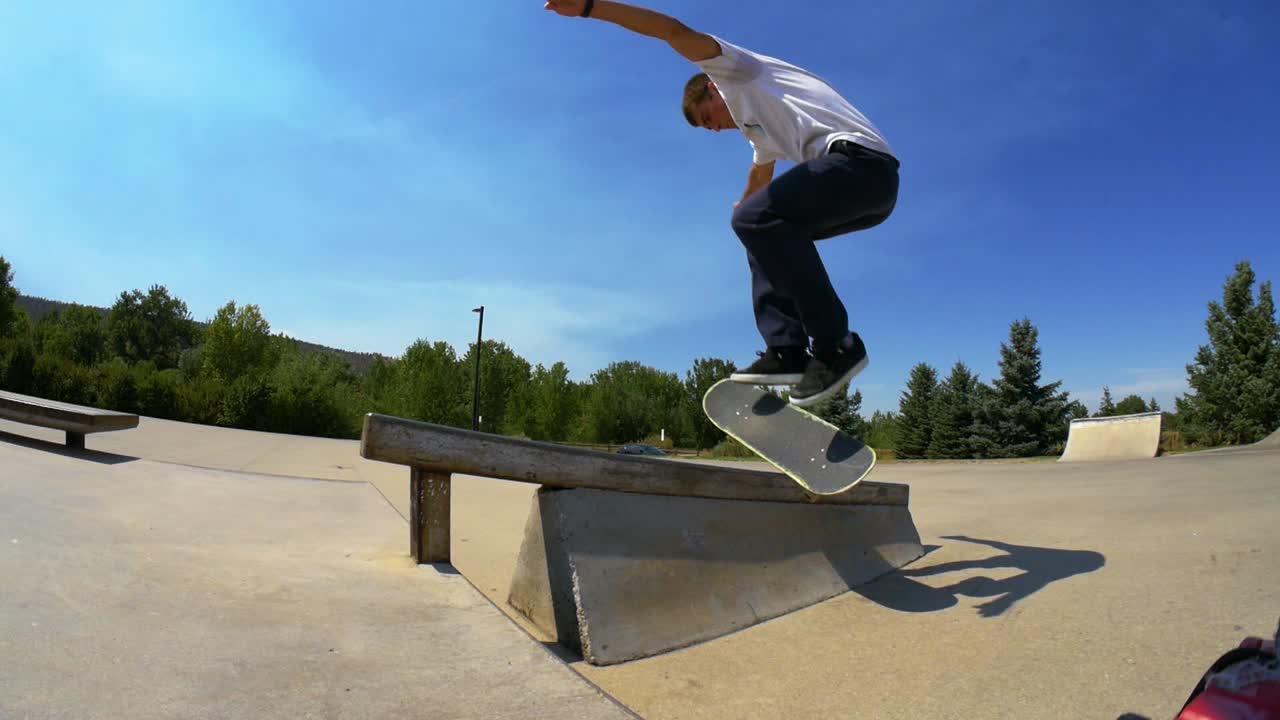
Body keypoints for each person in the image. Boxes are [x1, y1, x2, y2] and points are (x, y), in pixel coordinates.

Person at [545, 0, 900, 407]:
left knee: (756, 220)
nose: (712, 128)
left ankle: (836, 344)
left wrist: (590, 7)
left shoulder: (736, 72)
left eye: (705, 117)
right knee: (758, 231)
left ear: (711, 90)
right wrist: (743, 210)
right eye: (705, 128)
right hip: (867, 191)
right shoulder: (759, 131)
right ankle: (786, 349)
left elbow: (672, 31)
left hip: (862, 166)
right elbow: (759, 176)